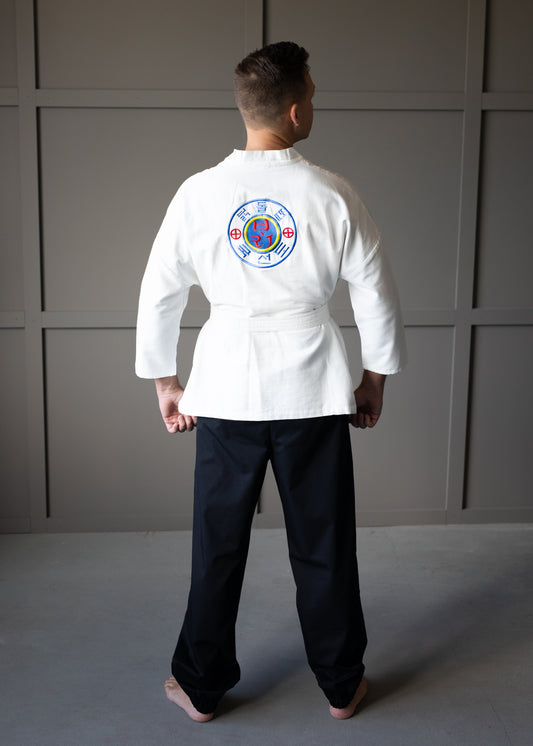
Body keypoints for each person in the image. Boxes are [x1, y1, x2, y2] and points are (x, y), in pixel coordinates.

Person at [135, 41, 406, 722]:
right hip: (314, 389)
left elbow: (160, 293)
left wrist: (166, 381)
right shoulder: (332, 193)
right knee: (323, 545)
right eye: (311, 94)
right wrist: (373, 376)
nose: (312, 104)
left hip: (224, 389)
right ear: (293, 111)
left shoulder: (198, 193)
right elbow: (374, 291)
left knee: (217, 546)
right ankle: (341, 685)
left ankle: (200, 687)